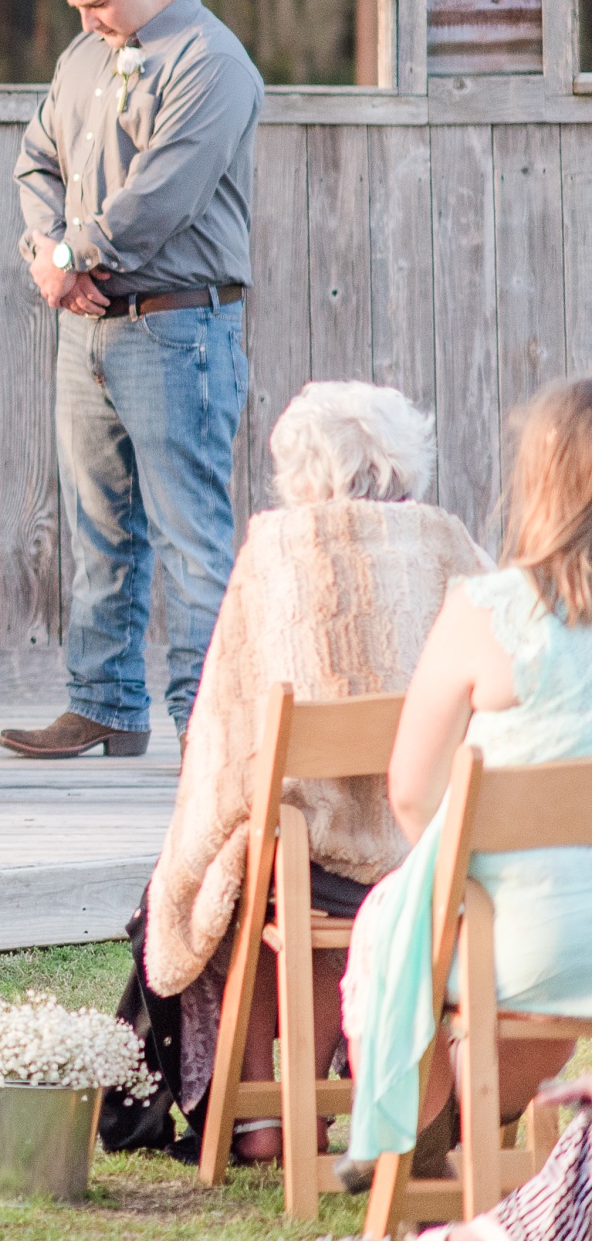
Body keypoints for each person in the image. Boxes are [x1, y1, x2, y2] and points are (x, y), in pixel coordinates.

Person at [136, 382, 489, 1161]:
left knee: (243, 859)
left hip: (310, 852)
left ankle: (265, 1120)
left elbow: (225, 724)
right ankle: (334, 1101)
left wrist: (211, 828)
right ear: (398, 457)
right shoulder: (448, 543)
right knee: (299, 856)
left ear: (300, 468)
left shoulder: (275, 551)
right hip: (426, 842)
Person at [4, 0, 264, 759]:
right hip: (87, 331)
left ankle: (208, 729)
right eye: (77, 6)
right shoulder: (87, 56)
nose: (85, 24)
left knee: (192, 537)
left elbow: (162, 192)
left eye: (99, 4)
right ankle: (106, 704)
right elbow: (35, 161)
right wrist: (52, 253)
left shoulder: (212, 63)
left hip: (178, 329)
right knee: (97, 525)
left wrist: (75, 252)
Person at [340, 378, 591, 1186]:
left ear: (538, 483)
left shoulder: (489, 611)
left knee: (396, 926)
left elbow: (412, 790)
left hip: (521, 937)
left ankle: (415, 1135)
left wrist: (457, 879)